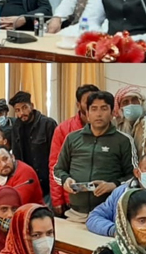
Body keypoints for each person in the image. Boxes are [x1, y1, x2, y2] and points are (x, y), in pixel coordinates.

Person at [54, 90, 137, 220]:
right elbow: (58, 170)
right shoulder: (72, 138)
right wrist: (65, 180)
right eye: (93, 109)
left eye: (104, 109)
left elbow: (134, 175)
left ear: (112, 113)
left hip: (109, 213)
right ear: (87, 113)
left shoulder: (123, 141)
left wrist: (113, 185)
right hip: (76, 213)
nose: (98, 114)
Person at [86, 154, 146, 243]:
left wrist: (124, 234)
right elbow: (94, 217)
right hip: (121, 245)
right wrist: (114, 230)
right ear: (137, 172)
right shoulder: (121, 191)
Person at [9, 91, 56, 200]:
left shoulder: (48, 124)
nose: (21, 113)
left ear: (32, 106)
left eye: (24, 108)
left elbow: (56, 157)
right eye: (17, 110)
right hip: (26, 181)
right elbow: (17, 156)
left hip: (47, 184)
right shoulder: (16, 126)